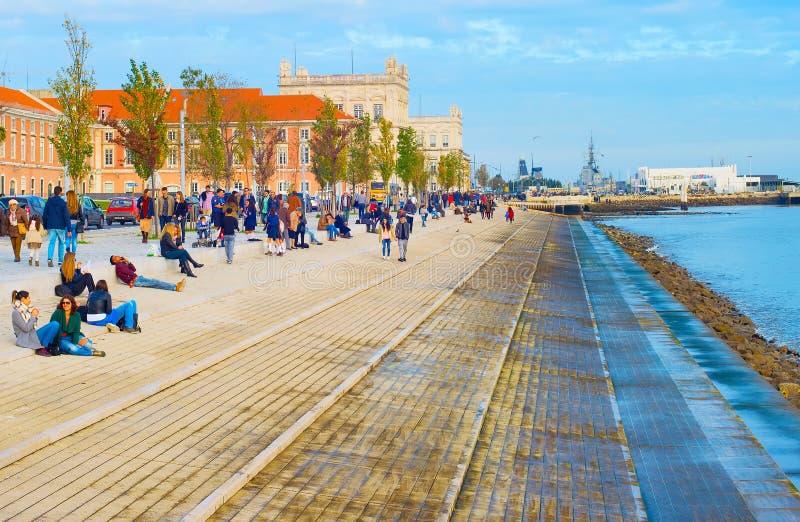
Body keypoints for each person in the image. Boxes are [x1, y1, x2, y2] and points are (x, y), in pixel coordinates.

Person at [11, 289, 60, 356]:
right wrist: (33, 316)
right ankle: (43, 347)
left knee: (55, 324)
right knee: (54, 324)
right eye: (28, 298)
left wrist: (33, 315)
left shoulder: (27, 310)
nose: (30, 300)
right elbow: (26, 329)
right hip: (26, 339)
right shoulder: (16, 313)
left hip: (32, 335)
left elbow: (32, 327)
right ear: (23, 299)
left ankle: (45, 345)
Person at [110, 255, 185, 292]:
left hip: (137, 279)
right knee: (155, 282)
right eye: (115, 257)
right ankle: (175, 287)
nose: (117, 256)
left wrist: (128, 261)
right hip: (135, 280)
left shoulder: (123, 264)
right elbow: (131, 272)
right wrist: (134, 276)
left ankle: (175, 286)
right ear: (114, 261)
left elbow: (134, 269)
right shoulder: (119, 265)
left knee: (155, 283)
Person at [43, 186, 70, 267]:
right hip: (61, 226)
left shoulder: (49, 202)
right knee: (61, 243)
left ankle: (49, 258)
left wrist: (45, 225)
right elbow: (66, 216)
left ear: (54, 192)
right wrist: (69, 229)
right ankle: (60, 261)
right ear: (60, 192)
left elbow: (44, 215)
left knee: (51, 243)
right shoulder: (63, 203)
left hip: (51, 226)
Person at [65, 190, 83, 254]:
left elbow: (63, 215)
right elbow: (81, 215)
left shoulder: (65, 204)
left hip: (67, 224)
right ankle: (73, 254)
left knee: (67, 239)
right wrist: (83, 223)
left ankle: (68, 251)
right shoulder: (77, 204)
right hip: (75, 223)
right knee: (74, 240)